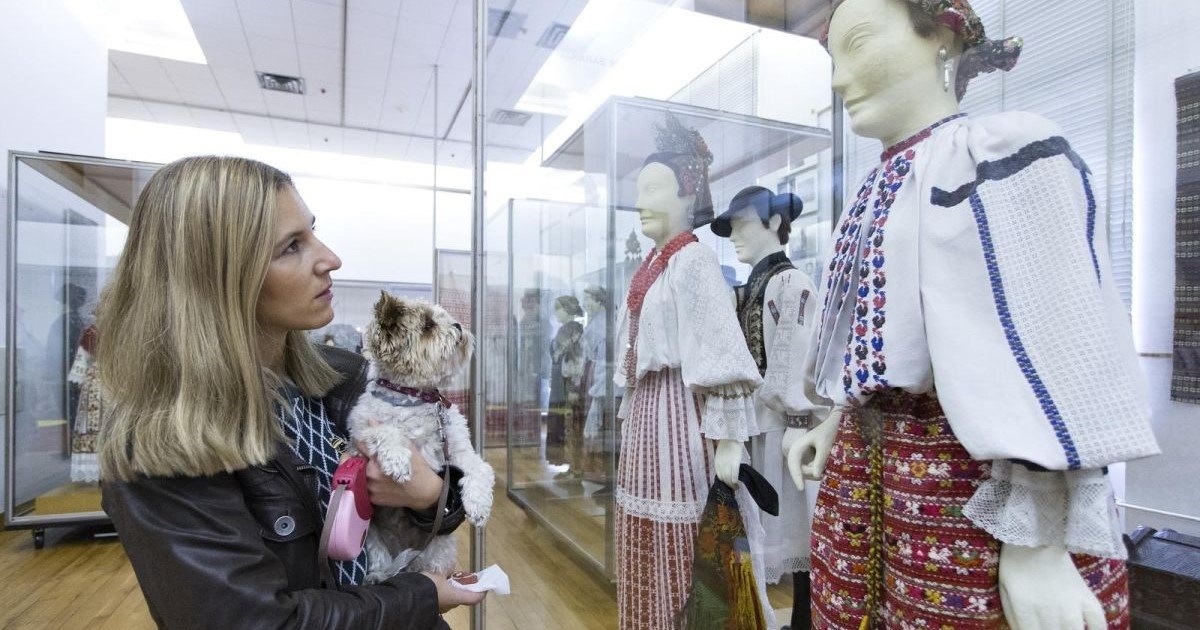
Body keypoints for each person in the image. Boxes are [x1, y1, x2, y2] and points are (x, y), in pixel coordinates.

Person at [786, 1, 1160, 628]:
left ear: (942, 36)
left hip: (970, 495)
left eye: (859, 44)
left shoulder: (1000, 153)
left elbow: (1054, 345)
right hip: (866, 480)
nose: (839, 79)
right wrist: (837, 419)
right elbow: (891, 339)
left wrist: (1035, 541)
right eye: (833, 58)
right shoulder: (876, 185)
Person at [96, 155, 484, 629]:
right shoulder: (161, 442)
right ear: (217, 278)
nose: (330, 259)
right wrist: (418, 594)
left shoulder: (344, 378)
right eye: (291, 247)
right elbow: (255, 621)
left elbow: (446, 488)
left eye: (313, 232)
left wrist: (428, 496)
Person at [613, 114, 770, 629]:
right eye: (639, 188)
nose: (642, 199)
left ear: (687, 195)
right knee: (645, 532)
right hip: (648, 419)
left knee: (685, 543)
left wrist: (730, 440)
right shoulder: (652, 264)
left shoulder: (694, 262)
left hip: (680, 416)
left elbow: (721, 352)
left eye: (654, 187)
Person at [712, 186, 823, 630]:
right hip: (756, 425)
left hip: (782, 429)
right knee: (761, 527)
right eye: (732, 227)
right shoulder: (749, 287)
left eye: (743, 224)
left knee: (796, 527)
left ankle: (804, 617)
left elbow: (794, 355)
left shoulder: (790, 282)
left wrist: (797, 417)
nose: (735, 235)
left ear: (774, 224)